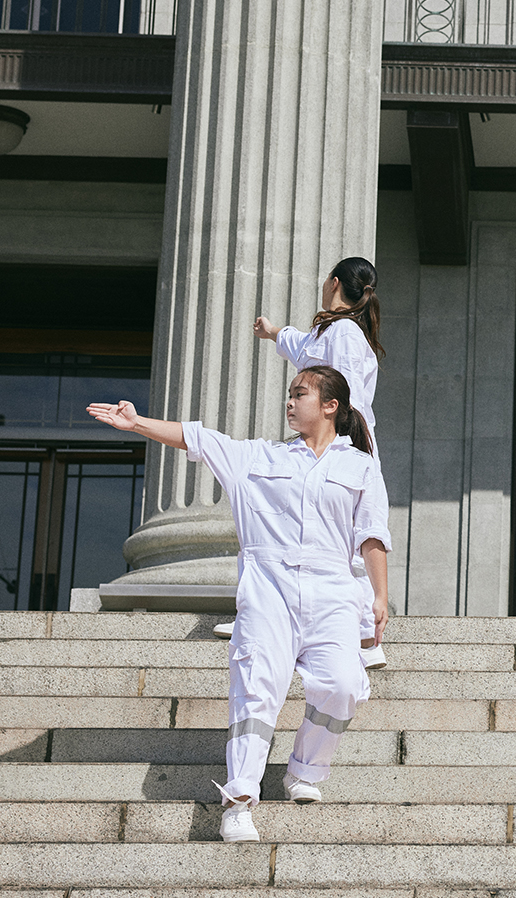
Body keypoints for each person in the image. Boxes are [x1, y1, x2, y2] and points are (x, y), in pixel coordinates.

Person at [87, 365, 390, 843]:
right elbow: (197, 438)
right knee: (256, 691)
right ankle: (239, 801)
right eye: (289, 394)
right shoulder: (256, 456)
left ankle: (305, 769)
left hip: (332, 591)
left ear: (331, 406)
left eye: (301, 394)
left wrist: (379, 596)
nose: (290, 402)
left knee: (344, 685)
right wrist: (138, 422)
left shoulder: (360, 467)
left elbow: (372, 535)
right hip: (269, 590)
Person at [214, 257, 389, 669]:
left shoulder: (344, 333)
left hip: (343, 442)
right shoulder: (331, 331)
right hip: (330, 442)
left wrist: (337, 443)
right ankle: (272, 615)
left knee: (345, 535)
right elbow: (300, 344)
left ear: (332, 283)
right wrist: (272, 331)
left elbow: (340, 391)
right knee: (303, 525)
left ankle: (365, 637)